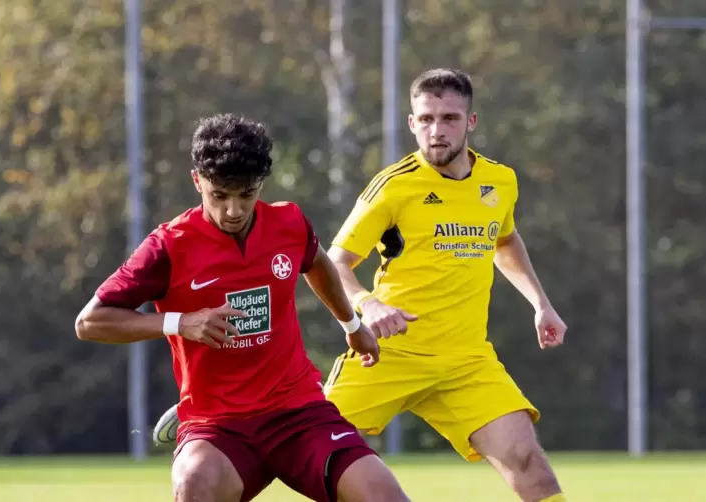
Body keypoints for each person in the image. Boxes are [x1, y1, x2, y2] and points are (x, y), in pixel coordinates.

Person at [152, 69, 568, 501]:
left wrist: (541, 303)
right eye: (426, 119)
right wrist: (367, 305)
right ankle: (211, 419)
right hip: (387, 354)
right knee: (294, 444)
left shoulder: (500, 182)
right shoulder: (393, 188)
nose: (437, 130)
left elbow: (505, 239)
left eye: (449, 118)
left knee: (529, 462)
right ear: (412, 123)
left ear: (471, 122)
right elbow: (336, 261)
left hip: (466, 361)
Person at [75, 113, 409, 502]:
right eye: (220, 195)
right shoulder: (168, 247)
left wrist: (352, 325)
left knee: (387, 498)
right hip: (217, 426)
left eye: (246, 194)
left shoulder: (289, 222)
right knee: (194, 483)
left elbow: (316, 262)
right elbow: (90, 322)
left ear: (261, 185)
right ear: (197, 181)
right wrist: (181, 323)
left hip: (298, 413)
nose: (234, 210)